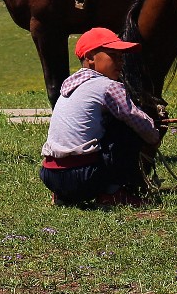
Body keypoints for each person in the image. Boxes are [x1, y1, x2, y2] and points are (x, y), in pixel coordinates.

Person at [39, 28, 163, 206]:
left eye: (122, 56)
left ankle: (63, 195)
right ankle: (112, 192)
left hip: (51, 176)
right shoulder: (108, 86)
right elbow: (138, 120)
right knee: (128, 128)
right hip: (85, 176)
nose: (120, 61)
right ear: (90, 58)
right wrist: (154, 136)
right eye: (113, 55)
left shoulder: (69, 86)